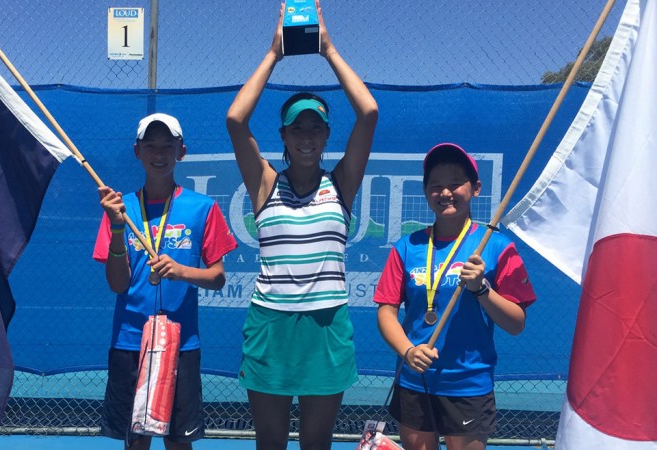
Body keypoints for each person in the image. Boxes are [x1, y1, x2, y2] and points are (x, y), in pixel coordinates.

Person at [225, 1, 378, 448]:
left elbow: (368, 112)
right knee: (270, 444)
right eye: (297, 128)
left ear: (327, 136)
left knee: (317, 443)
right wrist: (274, 53)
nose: (307, 136)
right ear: (284, 137)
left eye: (316, 128)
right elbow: (235, 119)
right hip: (270, 328)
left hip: (327, 329)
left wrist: (328, 49)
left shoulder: (342, 184)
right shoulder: (264, 184)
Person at [374, 143, 536, 450]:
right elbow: (386, 311)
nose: (445, 192)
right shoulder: (407, 247)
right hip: (415, 380)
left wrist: (482, 289)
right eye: (435, 185)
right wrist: (408, 352)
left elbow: (516, 324)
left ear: (476, 188)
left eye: (455, 183)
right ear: (425, 192)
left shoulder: (496, 246)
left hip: (468, 386)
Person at [93, 113, 238, 450]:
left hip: (180, 343)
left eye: (167, 146)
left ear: (181, 152)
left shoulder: (203, 208)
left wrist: (181, 270)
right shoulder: (119, 209)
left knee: (178, 442)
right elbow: (117, 285)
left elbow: (217, 277)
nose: (159, 154)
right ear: (137, 151)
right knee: (136, 441)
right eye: (151, 146)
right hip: (130, 341)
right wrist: (117, 228)